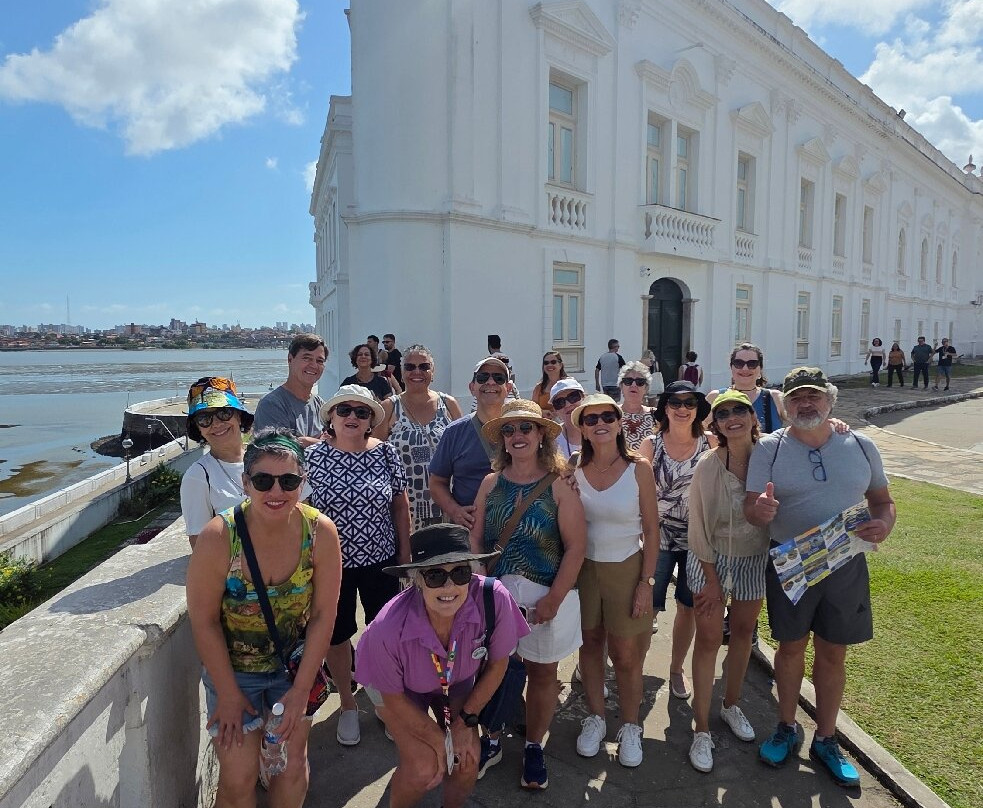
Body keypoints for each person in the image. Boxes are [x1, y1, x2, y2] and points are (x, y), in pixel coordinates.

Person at [745, 367, 895, 787]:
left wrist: (884, 525)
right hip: (791, 563)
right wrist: (760, 511)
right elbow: (750, 505)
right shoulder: (770, 449)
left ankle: (827, 739)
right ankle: (786, 727)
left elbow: (882, 502)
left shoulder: (861, 444)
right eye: (796, 398)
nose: (805, 404)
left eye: (813, 397)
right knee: (790, 649)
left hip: (845, 565)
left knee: (833, 653)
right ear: (785, 405)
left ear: (829, 400)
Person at [186, 428, 342, 808]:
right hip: (234, 671)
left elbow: (324, 614)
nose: (276, 492)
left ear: (302, 482)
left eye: (288, 481)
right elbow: (204, 620)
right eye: (263, 480)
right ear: (245, 482)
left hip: (294, 668)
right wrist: (227, 692)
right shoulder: (219, 536)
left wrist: (301, 689)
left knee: (289, 770)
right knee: (238, 780)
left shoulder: (319, 531)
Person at [355, 524, 529, 808]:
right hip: (396, 690)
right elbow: (393, 698)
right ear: (417, 580)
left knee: (466, 759)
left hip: (456, 680)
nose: (449, 587)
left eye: (459, 573)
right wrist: (439, 741)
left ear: (471, 573)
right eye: (435, 575)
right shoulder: (388, 627)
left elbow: (498, 665)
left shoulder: (493, 598)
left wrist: (465, 724)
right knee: (422, 766)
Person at [470, 399, 586, 789]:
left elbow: (575, 547)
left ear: (540, 436)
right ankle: (493, 738)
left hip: (543, 600)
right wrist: (477, 582)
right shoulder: (491, 483)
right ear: (502, 440)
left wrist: (554, 597)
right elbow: (476, 538)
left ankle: (534, 745)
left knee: (541, 675)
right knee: (495, 672)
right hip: (497, 596)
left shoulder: (559, 485)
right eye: (509, 430)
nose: (517, 436)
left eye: (525, 428)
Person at [306, 384, 411, 746]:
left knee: (383, 633)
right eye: (344, 410)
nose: (352, 416)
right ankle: (348, 704)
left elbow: (400, 504)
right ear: (331, 418)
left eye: (361, 412)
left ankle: (385, 701)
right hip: (330, 565)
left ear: (370, 421)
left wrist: (405, 553)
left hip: (381, 559)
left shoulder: (385, 453)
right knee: (336, 635)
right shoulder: (313, 458)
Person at [571, 394, 659, 768]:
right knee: (590, 645)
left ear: (621, 423)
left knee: (625, 655)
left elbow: (653, 531)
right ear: (583, 429)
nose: (600, 423)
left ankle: (631, 725)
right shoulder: (572, 468)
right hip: (585, 569)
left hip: (627, 566)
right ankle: (595, 716)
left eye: (608, 416)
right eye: (591, 419)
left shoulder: (639, 468)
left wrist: (646, 583)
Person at [686, 391, 770, 773]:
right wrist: (712, 580)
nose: (731, 418)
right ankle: (701, 727)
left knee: (742, 634)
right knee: (706, 640)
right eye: (723, 413)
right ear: (715, 424)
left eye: (739, 410)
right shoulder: (709, 464)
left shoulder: (770, 456)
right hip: (711, 558)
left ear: (753, 416)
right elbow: (698, 526)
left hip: (754, 557)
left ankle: (731, 704)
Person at [638, 381, 712, 694]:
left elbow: (752, 443)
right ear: (665, 408)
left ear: (697, 410)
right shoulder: (651, 445)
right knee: (648, 606)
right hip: (659, 535)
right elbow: (637, 490)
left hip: (697, 536)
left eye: (689, 403)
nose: (682, 409)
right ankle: (636, 670)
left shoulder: (710, 443)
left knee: (688, 605)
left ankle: (676, 668)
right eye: (676, 402)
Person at [374, 344, 463, 532]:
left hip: (446, 505)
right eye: (410, 366)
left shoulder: (448, 405)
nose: (417, 372)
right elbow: (375, 457)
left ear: (433, 371)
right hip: (404, 508)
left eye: (424, 366)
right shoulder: (389, 407)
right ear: (402, 371)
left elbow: (463, 453)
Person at [429, 357, 513, 530]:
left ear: (508, 388)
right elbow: (436, 482)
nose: (490, 382)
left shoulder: (523, 429)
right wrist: (455, 511)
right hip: (470, 530)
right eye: (482, 377)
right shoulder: (455, 432)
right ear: (472, 387)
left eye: (498, 378)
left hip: (515, 528)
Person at [180, 377, 254, 548]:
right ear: (198, 428)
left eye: (224, 412)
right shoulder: (198, 476)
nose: (217, 424)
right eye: (204, 419)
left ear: (239, 416)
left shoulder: (262, 457)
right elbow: (200, 544)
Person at [253, 333, 328, 447]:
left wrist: (305, 442)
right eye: (306, 358)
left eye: (319, 361)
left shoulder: (320, 404)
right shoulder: (271, 405)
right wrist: (320, 443)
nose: (313, 365)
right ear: (290, 359)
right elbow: (278, 452)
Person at [706, 343, 785, 435]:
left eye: (752, 364)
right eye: (739, 363)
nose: (745, 368)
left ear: (760, 368)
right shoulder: (715, 397)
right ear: (731, 367)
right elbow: (698, 433)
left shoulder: (775, 398)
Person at [617, 362, 657, 452]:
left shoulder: (656, 415)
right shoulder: (611, 414)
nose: (633, 385)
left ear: (646, 388)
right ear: (621, 386)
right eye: (628, 381)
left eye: (640, 382)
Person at [549, 378, 586, 460]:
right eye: (559, 402)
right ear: (555, 410)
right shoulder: (552, 440)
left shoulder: (598, 430)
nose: (568, 404)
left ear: (584, 398)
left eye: (573, 397)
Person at [531, 351, 569, 415]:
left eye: (553, 362)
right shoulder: (539, 387)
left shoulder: (569, 384)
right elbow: (532, 408)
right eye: (546, 363)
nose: (549, 365)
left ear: (560, 365)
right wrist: (542, 412)